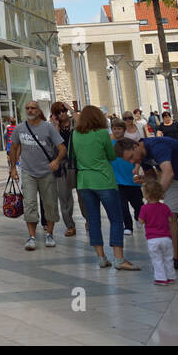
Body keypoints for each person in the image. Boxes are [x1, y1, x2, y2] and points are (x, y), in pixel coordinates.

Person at [115, 134, 178, 277]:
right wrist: (145, 179)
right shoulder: (142, 155)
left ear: (135, 146)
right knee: (170, 215)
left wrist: (154, 199)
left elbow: (168, 172)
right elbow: (152, 175)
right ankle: (175, 257)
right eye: (129, 160)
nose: (133, 161)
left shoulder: (156, 146)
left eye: (131, 157)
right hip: (176, 179)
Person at [73, 105, 139, 270]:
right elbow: (111, 155)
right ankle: (118, 258)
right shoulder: (102, 133)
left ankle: (101, 257)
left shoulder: (75, 134)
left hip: (84, 181)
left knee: (93, 220)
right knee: (116, 218)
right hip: (104, 180)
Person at [8, 101, 65, 250]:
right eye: (27, 108)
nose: (30, 110)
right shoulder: (20, 128)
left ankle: (50, 234)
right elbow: (13, 148)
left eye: (33, 108)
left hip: (47, 172)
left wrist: (57, 161)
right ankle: (31, 237)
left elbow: (62, 148)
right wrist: (13, 168)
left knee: (50, 204)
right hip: (28, 172)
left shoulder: (48, 128)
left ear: (39, 111)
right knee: (29, 205)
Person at [137, 180, 176, 286]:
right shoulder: (165, 207)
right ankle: (171, 277)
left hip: (153, 239)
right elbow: (170, 220)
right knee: (168, 258)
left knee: (157, 259)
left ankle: (161, 278)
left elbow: (141, 221)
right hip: (166, 238)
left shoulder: (144, 208)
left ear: (146, 195)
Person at [50, 102, 79, 236]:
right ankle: (70, 225)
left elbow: (81, 122)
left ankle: (88, 220)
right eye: (58, 113)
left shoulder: (75, 122)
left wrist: (71, 110)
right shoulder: (54, 128)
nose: (62, 114)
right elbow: (56, 144)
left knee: (83, 194)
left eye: (63, 111)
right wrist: (56, 125)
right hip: (62, 165)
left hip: (77, 163)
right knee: (64, 196)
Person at [112, 149, 142, 235]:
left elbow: (139, 157)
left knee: (138, 204)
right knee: (122, 205)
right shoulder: (109, 144)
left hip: (133, 181)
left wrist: (137, 167)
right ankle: (128, 226)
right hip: (118, 181)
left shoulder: (129, 143)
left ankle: (138, 217)